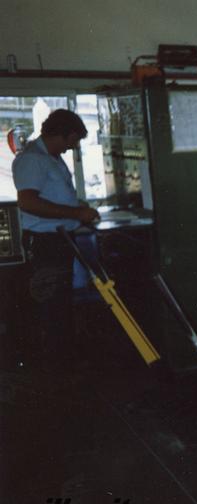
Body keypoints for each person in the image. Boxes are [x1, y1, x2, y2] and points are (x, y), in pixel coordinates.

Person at [12, 109, 99, 370]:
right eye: (75, 140)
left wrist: (77, 206)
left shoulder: (52, 157)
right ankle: (57, 366)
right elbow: (27, 202)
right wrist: (75, 212)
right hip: (45, 242)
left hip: (60, 239)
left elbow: (53, 196)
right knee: (51, 303)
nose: (75, 146)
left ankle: (64, 356)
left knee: (60, 300)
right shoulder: (33, 159)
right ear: (66, 134)